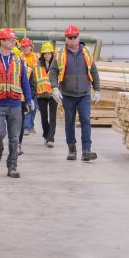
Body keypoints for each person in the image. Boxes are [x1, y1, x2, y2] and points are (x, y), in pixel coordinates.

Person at [0, 28, 34, 178]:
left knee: (14, 137)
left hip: (15, 104)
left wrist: (29, 99)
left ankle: (12, 166)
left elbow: (24, 81)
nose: (14, 42)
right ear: (2, 41)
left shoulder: (18, 60)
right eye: (11, 40)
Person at [49, 25, 101, 161]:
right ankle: (72, 149)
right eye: (69, 37)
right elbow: (53, 71)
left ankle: (86, 150)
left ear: (79, 37)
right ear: (66, 38)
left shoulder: (87, 52)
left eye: (74, 37)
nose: (72, 40)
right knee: (69, 122)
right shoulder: (60, 53)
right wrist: (54, 88)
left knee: (85, 121)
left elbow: (93, 71)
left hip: (84, 94)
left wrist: (97, 89)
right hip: (68, 94)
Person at [33, 42, 58, 147]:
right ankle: (46, 135)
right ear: (42, 55)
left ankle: (51, 138)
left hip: (53, 94)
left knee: (53, 116)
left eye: (49, 53)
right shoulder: (37, 65)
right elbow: (34, 80)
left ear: (52, 54)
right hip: (41, 94)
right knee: (44, 117)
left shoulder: (56, 65)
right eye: (45, 53)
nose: (47, 55)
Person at [19, 38, 38, 136]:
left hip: (36, 85)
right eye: (24, 47)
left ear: (31, 47)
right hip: (25, 85)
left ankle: (31, 126)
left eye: (27, 46)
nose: (26, 48)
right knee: (27, 106)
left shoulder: (36, 57)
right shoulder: (19, 57)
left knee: (34, 108)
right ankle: (26, 127)